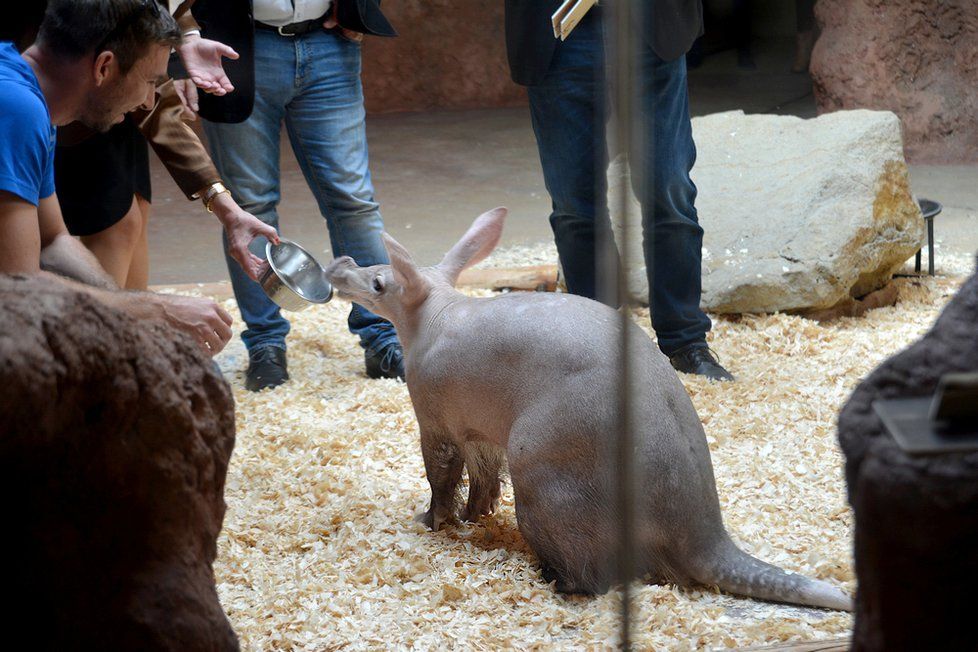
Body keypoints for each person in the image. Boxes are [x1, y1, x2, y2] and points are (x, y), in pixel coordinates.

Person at [176, 0, 406, 391]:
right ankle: (265, 343)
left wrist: (361, 6)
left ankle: (381, 336)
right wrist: (184, 35)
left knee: (354, 201)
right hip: (237, 45)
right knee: (249, 203)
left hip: (329, 41)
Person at [504, 0, 735, 381]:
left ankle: (684, 342)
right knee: (575, 202)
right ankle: (601, 343)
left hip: (649, 21)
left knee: (668, 186)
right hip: (558, 27)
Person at [0, 0, 233, 356]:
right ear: (105, 67)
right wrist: (154, 310)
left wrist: (131, 306)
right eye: (149, 81)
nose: (147, 100)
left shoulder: (33, 99)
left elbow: (53, 240)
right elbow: (19, 290)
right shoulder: (15, 107)